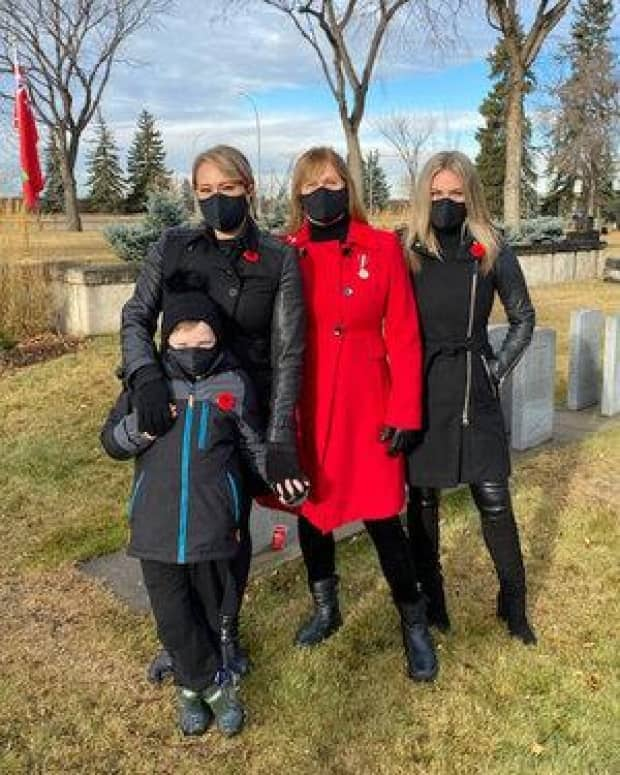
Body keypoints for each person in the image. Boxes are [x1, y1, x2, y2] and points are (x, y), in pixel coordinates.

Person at [120, 145, 308, 679]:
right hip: (174, 405)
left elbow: (288, 351)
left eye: (227, 189)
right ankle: (183, 638)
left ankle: (225, 629)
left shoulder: (277, 257)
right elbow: (136, 316)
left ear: (248, 189)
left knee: (229, 526)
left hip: (240, 407)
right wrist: (145, 376)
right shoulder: (173, 247)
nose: (216, 200)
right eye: (205, 191)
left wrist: (278, 437)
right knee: (173, 520)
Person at [284, 147, 438, 682]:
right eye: (310, 184)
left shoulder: (381, 247)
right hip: (307, 403)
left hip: (368, 405)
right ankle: (326, 607)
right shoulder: (287, 253)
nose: (321, 191)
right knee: (311, 511)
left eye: (331, 181)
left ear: (347, 187)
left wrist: (405, 409)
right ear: (297, 193)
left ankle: (412, 622)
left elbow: (405, 333)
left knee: (381, 517)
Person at [101, 272, 267, 736]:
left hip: (212, 527)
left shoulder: (232, 383)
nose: (194, 340)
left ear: (217, 335)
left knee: (213, 609)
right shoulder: (146, 387)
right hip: (154, 528)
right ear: (165, 337)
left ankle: (188, 690)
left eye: (204, 332)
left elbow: (254, 447)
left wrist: (281, 476)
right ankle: (212, 686)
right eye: (181, 332)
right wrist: (142, 429)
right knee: (172, 615)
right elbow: (111, 441)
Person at [405, 150, 537, 645]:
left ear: (471, 196)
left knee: (495, 498)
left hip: (474, 386)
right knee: (421, 501)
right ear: (424, 196)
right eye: (436, 194)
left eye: (455, 194)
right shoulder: (409, 250)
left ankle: (514, 602)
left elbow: (523, 317)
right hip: (422, 388)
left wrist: (496, 367)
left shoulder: (493, 249)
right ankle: (432, 600)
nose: (445, 203)